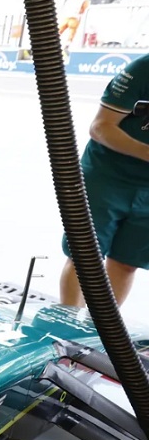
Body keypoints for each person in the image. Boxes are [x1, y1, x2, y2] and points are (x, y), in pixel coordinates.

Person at [60, 53, 149, 309]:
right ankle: (66, 328)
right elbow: (101, 127)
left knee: (127, 262)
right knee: (84, 256)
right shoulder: (142, 70)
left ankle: (100, 334)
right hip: (108, 175)